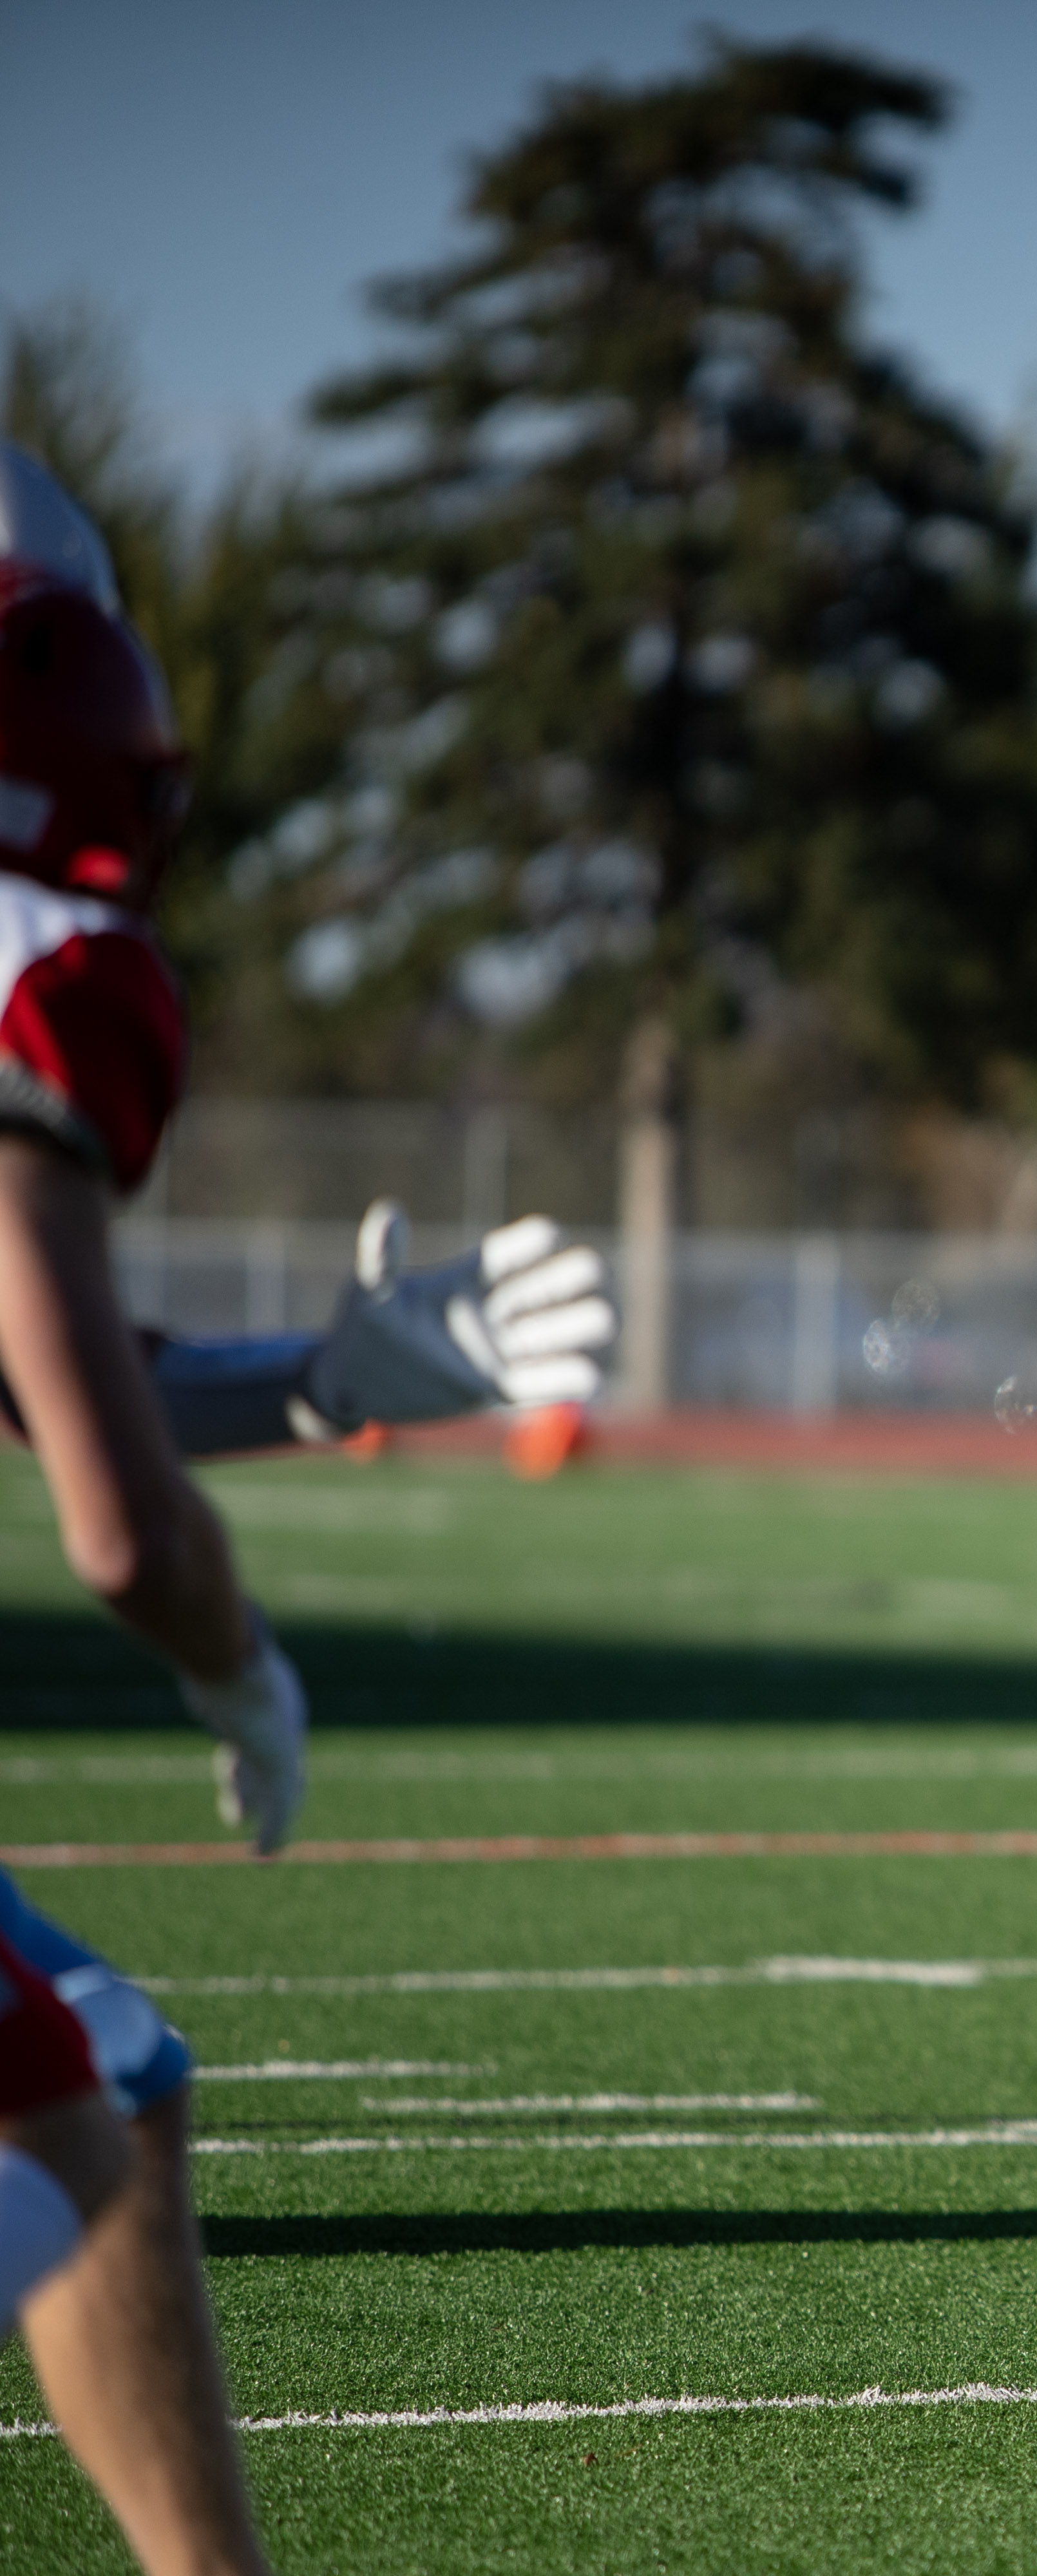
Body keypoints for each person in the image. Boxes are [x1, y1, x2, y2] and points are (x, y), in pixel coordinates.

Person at [0, 442, 611, 2572]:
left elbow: (39, 1362)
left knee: (97, 2085)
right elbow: (106, 1506)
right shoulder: (35, 957)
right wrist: (236, 1661)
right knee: (94, 2089)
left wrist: (327, 1384)